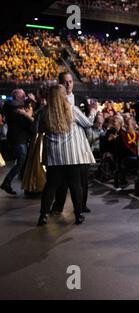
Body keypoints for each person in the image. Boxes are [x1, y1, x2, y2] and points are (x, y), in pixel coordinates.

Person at [37, 85, 96, 226]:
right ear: (64, 96)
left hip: (54, 157)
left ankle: (43, 215)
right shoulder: (72, 109)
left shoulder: (44, 112)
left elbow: (36, 129)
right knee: (76, 185)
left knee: (50, 186)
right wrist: (93, 111)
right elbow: (88, 123)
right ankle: (78, 215)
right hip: (71, 155)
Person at [51, 72, 92, 214]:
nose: (68, 85)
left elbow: (88, 121)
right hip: (62, 147)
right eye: (65, 82)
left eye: (70, 81)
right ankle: (58, 206)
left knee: (82, 180)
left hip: (81, 145)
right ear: (60, 83)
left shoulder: (80, 99)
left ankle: (82, 206)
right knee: (61, 182)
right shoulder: (53, 101)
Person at [1, 89, 34, 195]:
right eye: (22, 96)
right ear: (16, 97)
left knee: (21, 161)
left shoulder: (16, 107)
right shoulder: (12, 107)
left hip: (19, 138)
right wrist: (28, 107)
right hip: (17, 139)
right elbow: (17, 110)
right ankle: (7, 182)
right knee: (21, 161)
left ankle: (21, 183)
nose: (24, 97)